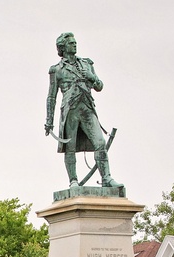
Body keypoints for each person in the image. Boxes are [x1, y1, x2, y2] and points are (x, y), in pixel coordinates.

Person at [44, 32, 122, 189]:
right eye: (70, 43)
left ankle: (106, 177)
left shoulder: (87, 64)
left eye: (75, 42)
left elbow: (99, 86)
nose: (74, 44)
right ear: (62, 48)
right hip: (70, 111)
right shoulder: (57, 70)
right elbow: (51, 97)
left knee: (100, 143)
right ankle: (73, 180)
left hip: (87, 108)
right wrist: (49, 121)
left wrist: (91, 77)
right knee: (70, 147)